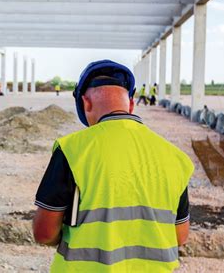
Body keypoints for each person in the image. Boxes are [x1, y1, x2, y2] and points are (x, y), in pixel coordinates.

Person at [32, 60, 193, 272]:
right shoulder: (175, 157)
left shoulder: (73, 149)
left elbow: (44, 233)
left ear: (86, 103)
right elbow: (180, 236)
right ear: (131, 104)